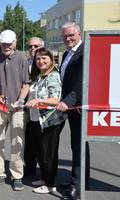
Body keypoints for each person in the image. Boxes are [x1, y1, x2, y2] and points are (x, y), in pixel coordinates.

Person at [0, 30, 30, 191]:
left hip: (17, 107)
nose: (6, 46)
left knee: (17, 142)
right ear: (0, 43)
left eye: (9, 43)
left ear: (15, 42)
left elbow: (26, 83)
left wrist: (20, 99)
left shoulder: (21, 58)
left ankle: (17, 175)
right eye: (3, 43)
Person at [25, 48, 66, 194]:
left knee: (49, 154)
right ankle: (44, 178)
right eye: (38, 59)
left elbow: (55, 99)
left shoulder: (53, 76)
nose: (40, 61)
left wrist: (39, 100)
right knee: (40, 152)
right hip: (36, 120)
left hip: (49, 121)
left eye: (44, 58)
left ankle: (50, 184)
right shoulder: (39, 76)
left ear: (51, 60)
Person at [56, 22, 89, 200]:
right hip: (68, 104)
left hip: (77, 106)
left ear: (78, 34)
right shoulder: (68, 53)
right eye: (65, 36)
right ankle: (78, 180)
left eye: (71, 35)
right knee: (77, 146)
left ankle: (77, 187)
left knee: (79, 146)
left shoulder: (85, 51)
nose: (68, 38)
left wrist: (67, 102)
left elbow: (81, 81)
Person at [24, 36, 45, 177]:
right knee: (29, 141)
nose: (33, 48)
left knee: (43, 144)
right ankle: (30, 169)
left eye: (36, 46)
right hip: (28, 109)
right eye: (30, 46)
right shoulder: (26, 63)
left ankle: (46, 175)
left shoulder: (46, 63)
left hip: (43, 112)